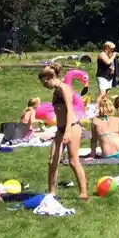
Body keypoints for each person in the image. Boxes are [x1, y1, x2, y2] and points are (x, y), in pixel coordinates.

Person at [38, 64, 88, 199]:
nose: (44, 86)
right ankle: (52, 194)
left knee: (73, 161)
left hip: (71, 127)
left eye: (44, 82)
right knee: (52, 161)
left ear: (49, 78)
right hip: (60, 129)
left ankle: (83, 193)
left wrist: (67, 132)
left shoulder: (64, 89)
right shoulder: (56, 91)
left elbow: (70, 110)